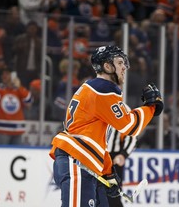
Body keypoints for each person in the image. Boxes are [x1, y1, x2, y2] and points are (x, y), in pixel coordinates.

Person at [49, 45, 164, 206]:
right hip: (76, 160)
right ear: (107, 66)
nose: (124, 67)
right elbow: (130, 127)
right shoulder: (103, 89)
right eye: (119, 62)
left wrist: (108, 172)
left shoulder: (95, 89)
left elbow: (96, 139)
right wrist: (152, 107)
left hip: (84, 162)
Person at [0, 67, 33, 145]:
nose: (4, 76)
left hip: (18, 129)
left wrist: (19, 87)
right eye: (3, 74)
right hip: (2, 130)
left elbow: (29, 101)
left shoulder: (19, 90)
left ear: (13, 76)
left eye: (7, 74)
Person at [107, 128, 137, 207]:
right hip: (96, 156)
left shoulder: (120, 117)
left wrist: (123, 155)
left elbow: (131, 137)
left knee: (113, 193)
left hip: (113, 158)